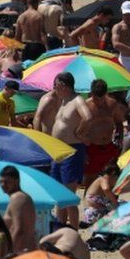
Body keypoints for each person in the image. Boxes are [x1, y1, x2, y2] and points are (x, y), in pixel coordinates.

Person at [48, 72, 90, 228]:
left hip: (71, 150)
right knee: (59, 195)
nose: (54, 88)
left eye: (55, 85)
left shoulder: (77, 100)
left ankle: (73, 230)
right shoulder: (64, 101)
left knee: (69, 196)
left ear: (63, 85)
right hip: (58, 151)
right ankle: (61, 226)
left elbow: (88, 117)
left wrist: (79, 133)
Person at [79, 79, 123, 186]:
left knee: (113, 178)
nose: (99, 101)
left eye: (102, 98)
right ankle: (89, 201)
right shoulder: (85, 106)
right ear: (91, 93)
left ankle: (110, 201)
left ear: (106, 93)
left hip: (109, 146)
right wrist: (83, 149)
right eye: (96, 98)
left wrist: (119, 137)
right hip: (92, 147)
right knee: (89, 181)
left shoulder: (112, 104)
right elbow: (78, 129)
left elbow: (118, 122)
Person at [0, 165, 38, 253]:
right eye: (1, 182)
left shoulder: (17, 198)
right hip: (26, 250)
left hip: (21, 252)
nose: (3, 185)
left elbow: (18, 229)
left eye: (7, 182)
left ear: (17, 181)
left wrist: (9, 253)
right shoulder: (23, 197)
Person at [81, 162, 120, 226]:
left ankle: (92, 218)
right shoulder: (102, 179)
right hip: (93, 199)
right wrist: (114, 202)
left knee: (102, 210)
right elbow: (106, 189)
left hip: (93, 204)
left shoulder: (102, 179)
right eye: (116, 178)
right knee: (113, 204)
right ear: (113, 174)